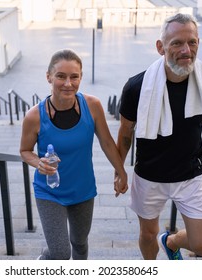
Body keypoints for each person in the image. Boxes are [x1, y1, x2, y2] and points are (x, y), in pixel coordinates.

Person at [115, 13, 202, 260]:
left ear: (199, 43)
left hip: (190, 174)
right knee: (148, 235)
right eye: (177, 43)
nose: (186, 50)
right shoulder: (137, 87)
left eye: (192, 42)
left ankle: (170, 241)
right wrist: (120, 170)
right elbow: (126, 133)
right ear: (161, 47)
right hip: (149, 175)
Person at [19, 49, 128, 260]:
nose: (68, 83)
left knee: (80, 243)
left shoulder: (93, 106)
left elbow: (106, 142)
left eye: (74, 76)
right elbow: (24, 151)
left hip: (83, 190)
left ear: (80, 77)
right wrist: (38, 162)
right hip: (49, 191)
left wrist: (121, 172)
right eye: (61, 76)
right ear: (49, 77)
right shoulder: (34, 116)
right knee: (59, 252)